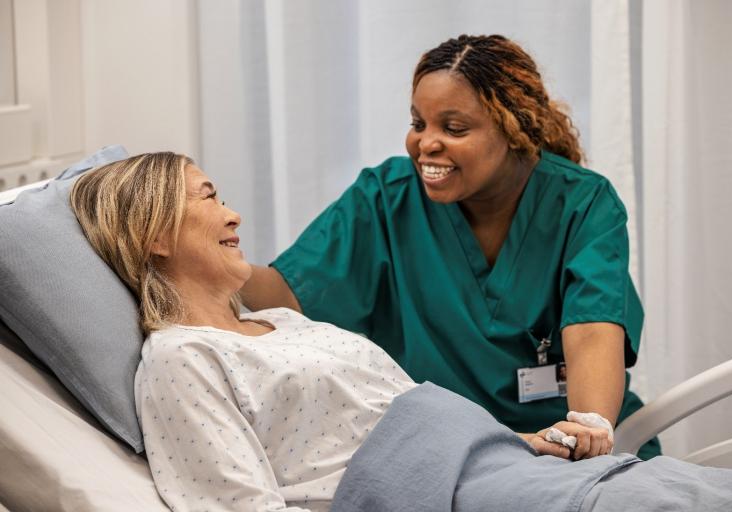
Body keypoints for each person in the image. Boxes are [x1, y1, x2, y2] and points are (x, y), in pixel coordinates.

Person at [70, 153, 732, 512]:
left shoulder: (281, 326)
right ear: (155, 232)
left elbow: (393, 416)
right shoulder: (181, 358)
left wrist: (536, 441)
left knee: (698, 491)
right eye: (209, 198)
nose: (234, 214)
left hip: (507, 465)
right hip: (454, 496)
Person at [239, 34, 660, 459]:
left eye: (453, 128)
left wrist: (584, 439)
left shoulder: (582, 203)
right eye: (418, 124)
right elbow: (291, 295)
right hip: (454, 452)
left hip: (573, 442)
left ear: (515, 128)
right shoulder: (387, 199)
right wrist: (221, 265)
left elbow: (593, 329)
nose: (426, 144)